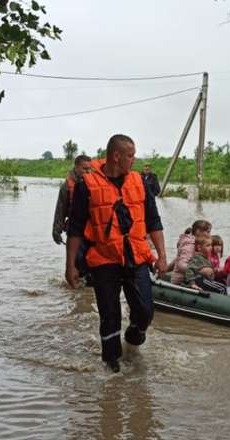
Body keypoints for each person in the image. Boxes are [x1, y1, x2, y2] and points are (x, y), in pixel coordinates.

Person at [65, 135, 168, 373]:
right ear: (116, 156)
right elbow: (76, 229)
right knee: (109, 315)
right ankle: (112, 368)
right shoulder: (86, 185)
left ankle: (133, 339)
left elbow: (153, 221)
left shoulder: (140, 182)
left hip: (137, 256)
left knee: (145, 311)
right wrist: (70, 265)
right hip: (103, 259)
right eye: (131, 155)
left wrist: (162, 255)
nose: (134, 160)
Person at [53, 155, 93, 279]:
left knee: (93, 263)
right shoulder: (66, 186)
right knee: (78, 262)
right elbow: (61, 209)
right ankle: (78, 291)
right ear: (76, 167)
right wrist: (56, 230)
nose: (87, 172)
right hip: (76, 230)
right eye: (84, 169)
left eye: (89, 169)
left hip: (92, 231)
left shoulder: (94, 184)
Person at [168, 219, 211, 284]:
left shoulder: (197, 243)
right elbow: (181, 265)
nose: (209, 235)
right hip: (183, 281)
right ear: (198, 231)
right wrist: (200, 270)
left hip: (191, 278)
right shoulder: (190, 245)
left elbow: (177, 260)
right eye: (208, 232)